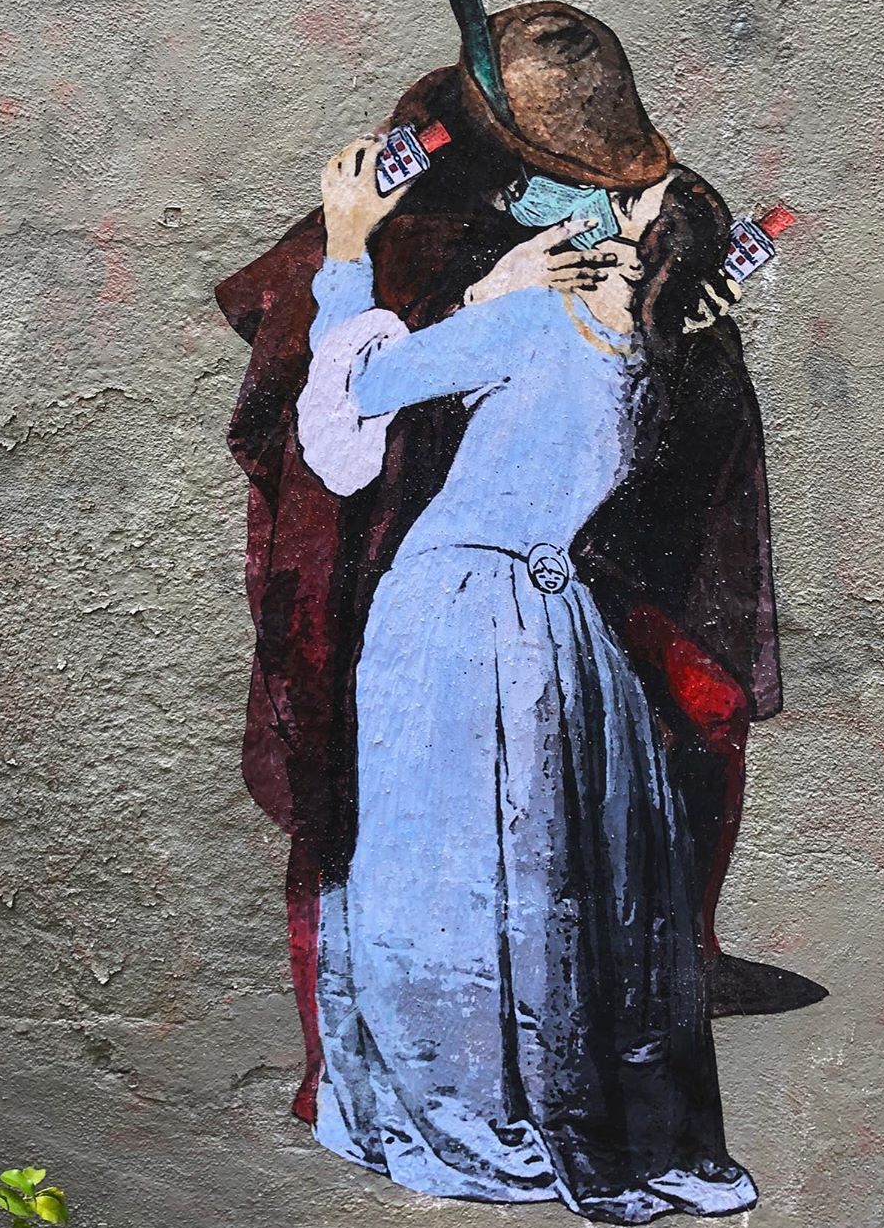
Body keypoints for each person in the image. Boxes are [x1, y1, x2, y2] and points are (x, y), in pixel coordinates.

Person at [298, 130, 759, 1223]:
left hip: (452, 611)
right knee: (547, 869)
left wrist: (348, 249)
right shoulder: (646, 366)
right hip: (555, 629)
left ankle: (455, 1102)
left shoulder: (539, 321)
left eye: (614, 197)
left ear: (626, 235)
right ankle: (550, 1099)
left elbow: (362, 391)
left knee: (439, 864)